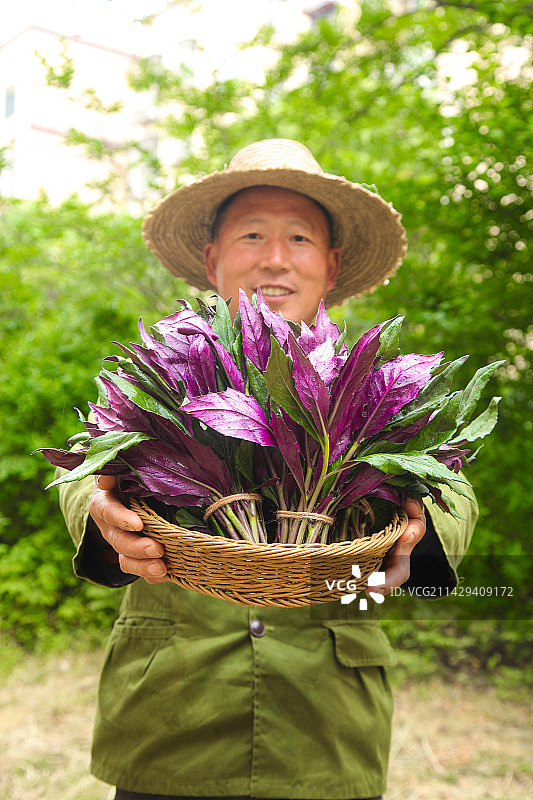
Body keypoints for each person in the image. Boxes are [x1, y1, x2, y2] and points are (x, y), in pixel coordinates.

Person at [57, 139, 478, 800]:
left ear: (331, 263)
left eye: (299, 238)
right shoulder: (167, 368)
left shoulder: (368, 379)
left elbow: (448, 482)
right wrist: (98, 512)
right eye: (251, 234)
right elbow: (90, 467)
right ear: (211, 258)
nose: (275, 259)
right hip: (171, 717)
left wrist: (425, 527)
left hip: (324, 727)